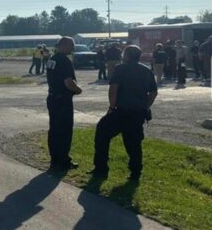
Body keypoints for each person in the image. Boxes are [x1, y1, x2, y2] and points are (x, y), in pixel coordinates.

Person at [91, 45, 158, 181]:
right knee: (134, 143)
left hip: (120, 111)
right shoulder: (146, 71)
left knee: (102, 135)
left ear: (126, 56)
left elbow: (113, 88)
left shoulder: (120, 69)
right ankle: (135, 172)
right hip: (138, 112)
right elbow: (153, 92)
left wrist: (112, 106)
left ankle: (101, 169)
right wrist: (145, 106)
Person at [45, 36, 83, 171]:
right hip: (63, 100)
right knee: (65, 130)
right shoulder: (64, 61)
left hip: (52, 98)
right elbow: (68, 82)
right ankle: (63, 161)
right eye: (71, 45)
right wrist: (78, 90)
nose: (73, 48)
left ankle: (54, 160)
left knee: (54, 129)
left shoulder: (52, 59)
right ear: (64, 45)